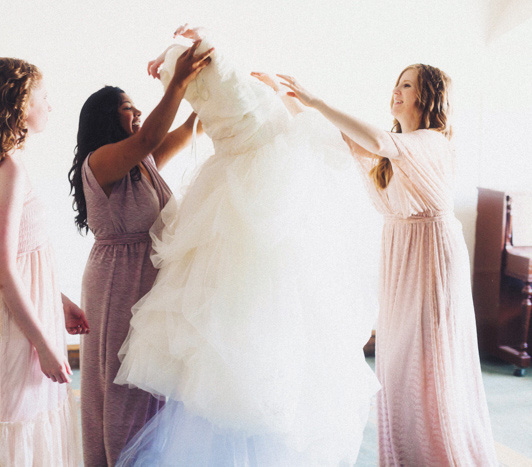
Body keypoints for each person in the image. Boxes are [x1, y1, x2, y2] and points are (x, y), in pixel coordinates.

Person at [114, 26, 380, 466]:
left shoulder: (188, 75)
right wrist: (194, 45)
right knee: (269, 318)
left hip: (231, 190)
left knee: (232, 320)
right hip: (265, 188)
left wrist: (169, 58)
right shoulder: (218, 63)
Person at [279, 64, 498, 464]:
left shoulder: (432, 141)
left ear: (427, 96)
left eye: (407, 85)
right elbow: (336, 139)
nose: (396, 91)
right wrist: (289, 101)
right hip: (400, 250)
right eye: (395, 84)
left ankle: (439, 453)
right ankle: (407, 453)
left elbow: (379, 139)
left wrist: (316, 99)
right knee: (396, 361)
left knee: (427, 359)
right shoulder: (394, 148)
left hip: (432, 253)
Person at [68, 41, 214, 466]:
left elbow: (187, 130)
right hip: (116, 283)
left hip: (148, 278)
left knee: (150, 384)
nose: (135, 113)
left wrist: (213, 88)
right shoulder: (100, 163)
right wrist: (179, 81)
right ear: (105, 117)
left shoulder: (142, 163)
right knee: (120, 387)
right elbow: (151, 133)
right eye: (127, 107)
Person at [0, 57, 87, 466]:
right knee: (17, 417)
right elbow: (4, 268)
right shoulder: (9, 170)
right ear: (20, 106)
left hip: (29, 303)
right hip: (18, 317)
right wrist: (44, 345)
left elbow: (21, 256)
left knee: (24, 414)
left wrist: (59, 300)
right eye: (44, 97)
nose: (50, 105)